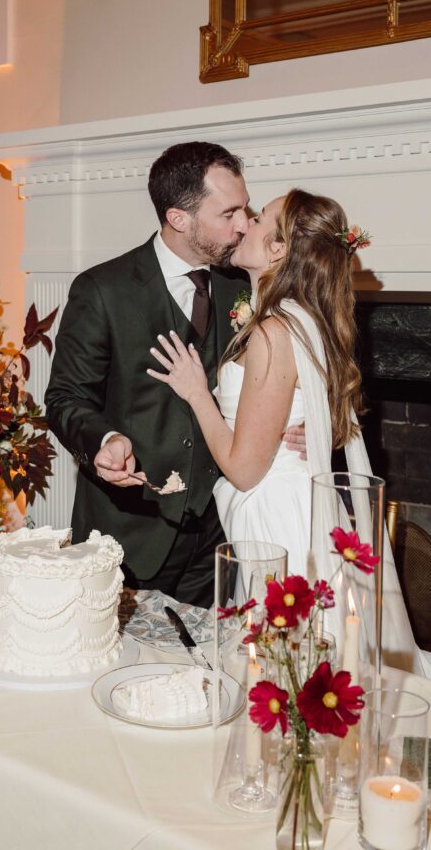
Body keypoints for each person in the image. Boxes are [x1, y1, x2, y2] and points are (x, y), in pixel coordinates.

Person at [148, 188, 426, 674]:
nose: (243, 225)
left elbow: (243, 469)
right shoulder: (303, 316)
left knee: (283, 666)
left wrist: (197, 393)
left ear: (278, 250)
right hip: (297, 501)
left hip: (276, 515)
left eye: (256, 220)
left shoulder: (276, 330)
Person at [45, 142, 304, 608]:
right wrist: (104, 441)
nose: (244, 225)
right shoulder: (102, 290)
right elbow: (66, 397)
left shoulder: (246, 282)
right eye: (229, 213)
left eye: (246, 209)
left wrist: (313, 426)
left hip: (221, 533)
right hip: (131, 531)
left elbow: (284, 377)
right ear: (179, 218)